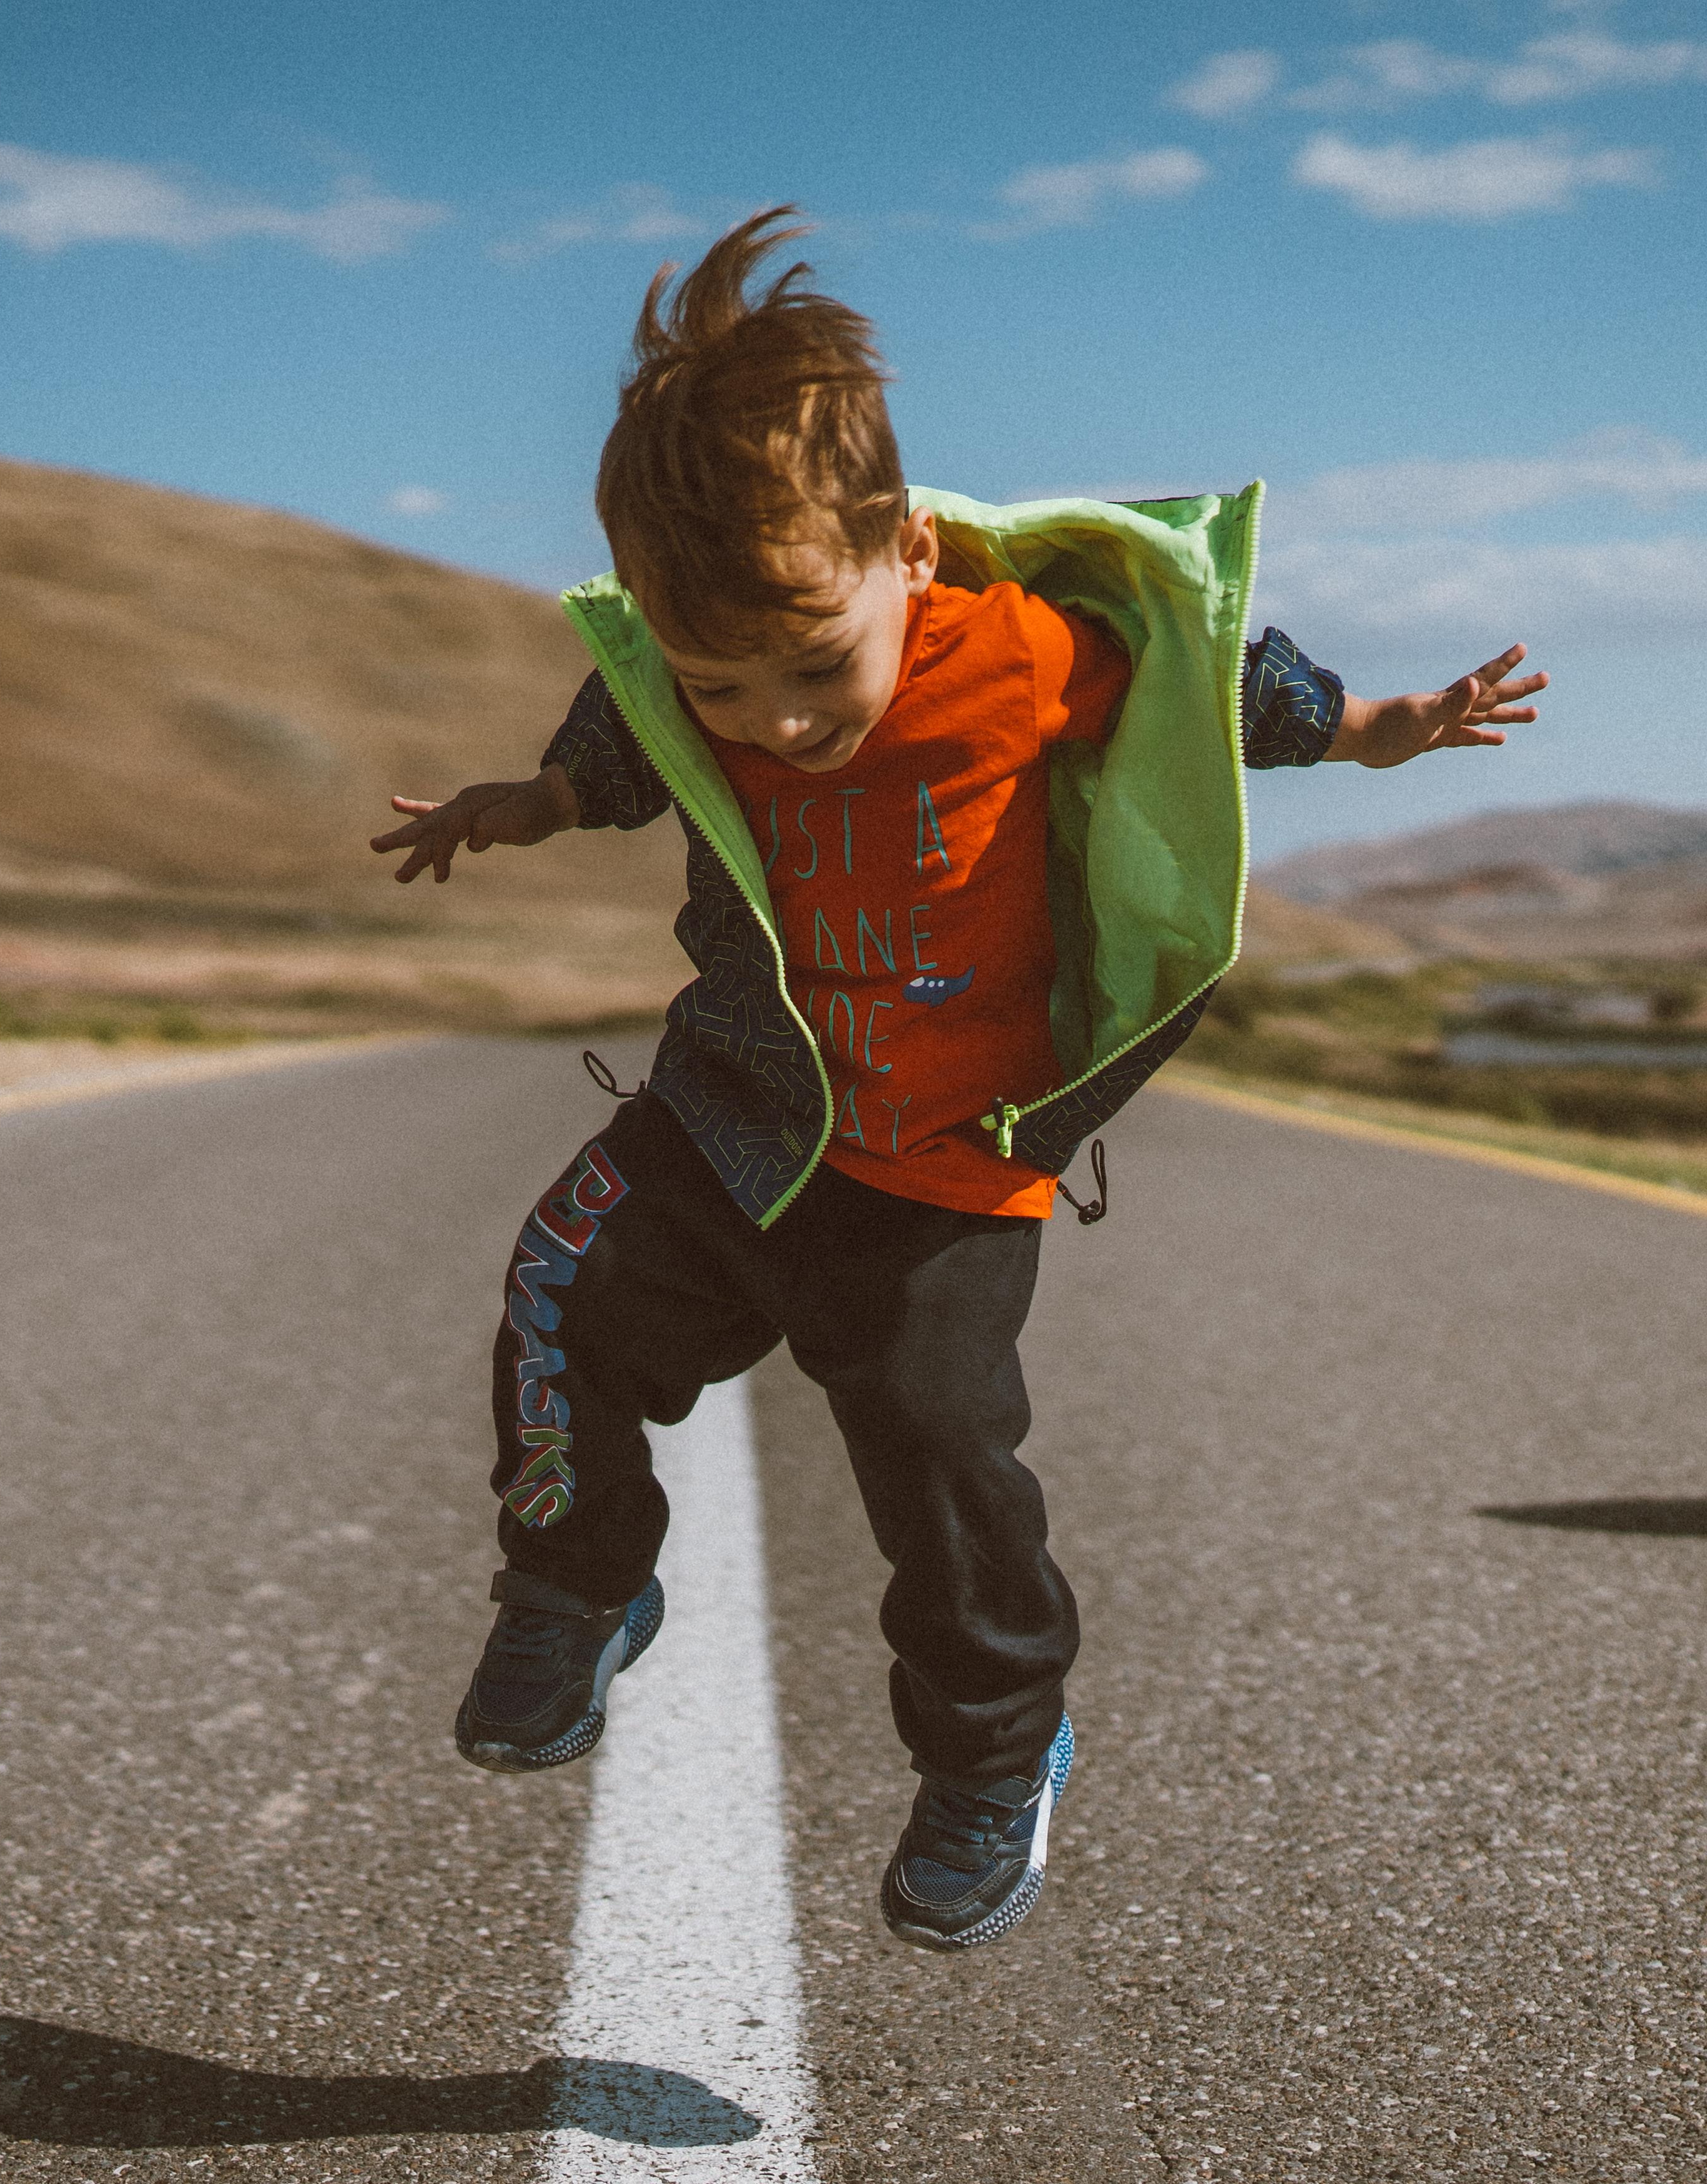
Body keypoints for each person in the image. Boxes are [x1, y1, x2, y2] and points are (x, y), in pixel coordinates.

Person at [372, 209, 1545, 1953]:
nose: (772, 722)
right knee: (557, 1300)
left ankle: (997, 1756)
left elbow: (1211, 673)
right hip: (733, 1113)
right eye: (723, 684)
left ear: (908, 550)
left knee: (938, 1471)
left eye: (811, 667)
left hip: (940, 1169)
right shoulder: (696, 679)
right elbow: (624, 737)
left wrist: (1378, 725)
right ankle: (573, 1583)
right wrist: (526, 803)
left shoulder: (1020, 646)